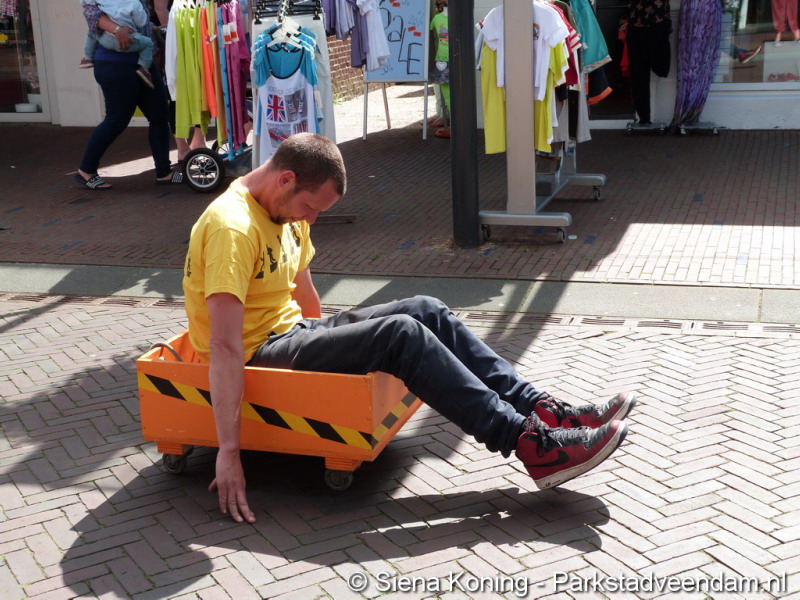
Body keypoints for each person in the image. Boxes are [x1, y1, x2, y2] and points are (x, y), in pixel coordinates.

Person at [182, 133, 636, 523]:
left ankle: (544, 411)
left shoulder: (287, 212)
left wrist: (330, 353)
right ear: (286, 179)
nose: (311, 219)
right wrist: (228, 452)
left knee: (426, 309)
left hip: (295, 335)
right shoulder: (232, 229)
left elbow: (305, 295)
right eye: (309, 207)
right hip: (256, 352)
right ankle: (530, 445)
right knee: (401, 334)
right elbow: (223, 346)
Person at [75, 0, 183, 190]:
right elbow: (92, 14)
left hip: (143, 63)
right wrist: (118, 30)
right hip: (114, 63)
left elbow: (138, 15)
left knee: (159, 114)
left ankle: (164, 172)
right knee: (117, 120)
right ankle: (86, 170)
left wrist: (152, 28)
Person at [79, 0, 156, 89]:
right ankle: (144, 68)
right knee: (148, 43)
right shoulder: (134, 3)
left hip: (106, 40)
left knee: (93, 32)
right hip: (126, 45)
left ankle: (88, 58)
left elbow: (86, 3)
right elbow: (141, 23)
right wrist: (118, 30)